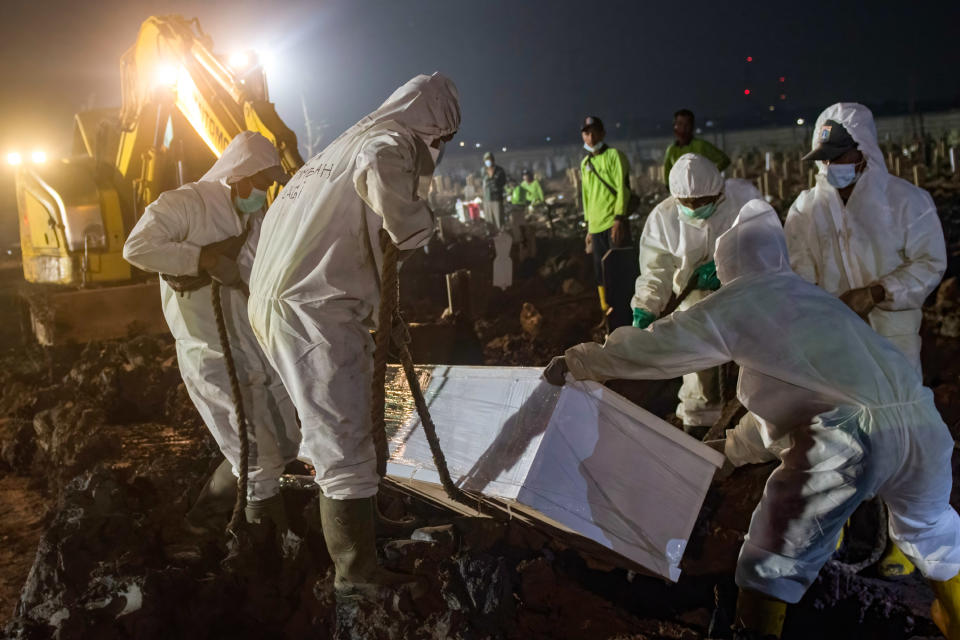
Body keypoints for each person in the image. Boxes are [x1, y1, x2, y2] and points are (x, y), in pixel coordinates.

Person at [543, 200, 960, 640]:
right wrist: (728, 452)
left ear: (727, 264)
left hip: (852, 437)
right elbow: (788, 399)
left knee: (771, 558)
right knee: (935, 533)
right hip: (922, 424)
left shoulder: (742, 299)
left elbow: (657, 349)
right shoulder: (812, 298)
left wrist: (581, 362)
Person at [247, 73, 459, 595]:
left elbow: (337, 245)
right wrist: (414, 225)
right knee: (340, 438)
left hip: (293, 302)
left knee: (346, 427)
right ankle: (354, 572)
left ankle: (362, 526)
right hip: (312, 312)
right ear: (434, 128)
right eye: (445, 142)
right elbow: (391, 204)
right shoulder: (388, 142)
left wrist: (379, 311)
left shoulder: (335, 152)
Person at [123, 131, 302, 534]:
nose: (265, 190)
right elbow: (136, 248)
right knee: (256, 457)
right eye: (262, 182)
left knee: (286, 444)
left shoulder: (253, 220)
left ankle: (210, 517)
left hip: (257, 348)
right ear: (240, 174)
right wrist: (200, 257)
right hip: (212, 353)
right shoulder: (184, 204)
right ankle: (257, 542)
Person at [785, 102, 946, 373]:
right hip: (833, 338)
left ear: (863, 150)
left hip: (893, 340)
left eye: (838, 157)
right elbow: (796, 272)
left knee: (896, 408)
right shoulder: (806, 209)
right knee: (839, 411)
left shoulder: (906, 201)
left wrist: (878, 292)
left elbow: (930, 263)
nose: (829, 166)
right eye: (824, 159)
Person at [632, 153, 761, 438]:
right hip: (693, 303)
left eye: (702, 203)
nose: (694, 209)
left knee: (752, 365)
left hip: (743, 296)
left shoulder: (744, 201)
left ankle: (752, 427)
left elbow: (766, 244)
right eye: (687, 204)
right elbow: (657, 270)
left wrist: (729, 266)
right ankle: (700, 426)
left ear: (719, 193)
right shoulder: (663, 219)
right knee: (698, 369)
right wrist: (646, 306)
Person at [580, 115, 632, 315]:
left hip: (613, 223)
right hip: (595, 227)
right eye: (586, 133)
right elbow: (586, 196)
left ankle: (625, 310)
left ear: (602, 133)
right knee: (600, 272)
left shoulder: (615, 156)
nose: (590, 137)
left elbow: (622, 189)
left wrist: (619, 219)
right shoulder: (585, 163)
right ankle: (606, 310)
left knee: (618, 269)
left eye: (594, 132)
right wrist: (588, 228)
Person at [663, 109, 730, 184]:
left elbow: (724, 160)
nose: (683, 128)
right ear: (674, 126)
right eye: (680, 124)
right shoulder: (671, 150)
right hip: (678, 193)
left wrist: (709, 175)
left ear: (692, 127)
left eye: (687, 124)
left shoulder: (701, 145)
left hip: (701, 191)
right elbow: (667, 173)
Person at [482, 150, 507, 230]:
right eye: (486, 160)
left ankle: (502, 238)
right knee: (489, 222)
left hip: (496, 199)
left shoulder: (500, 171)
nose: (488, 162)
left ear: (493, 160)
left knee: (499, 221)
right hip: (487, 200)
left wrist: (495, 186)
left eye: (489, 159)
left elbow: (503, 183)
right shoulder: (483, 171)